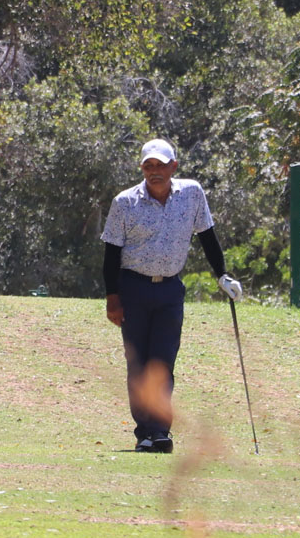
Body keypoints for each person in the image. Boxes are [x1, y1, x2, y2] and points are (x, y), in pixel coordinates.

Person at [100, 138, 242, 453]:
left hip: (170, 289)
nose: (155, 171)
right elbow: (111, 254)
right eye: (148, 166)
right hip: (133, 288)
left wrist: (222, 275)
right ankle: (145, 433)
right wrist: (113, 298)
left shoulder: (192, 194)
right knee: (139, 363)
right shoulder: (125, 202)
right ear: (142, 168)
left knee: (163, 360)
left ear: (173, 166)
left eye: (161, 165)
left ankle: (160, 431)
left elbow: (207, 236)